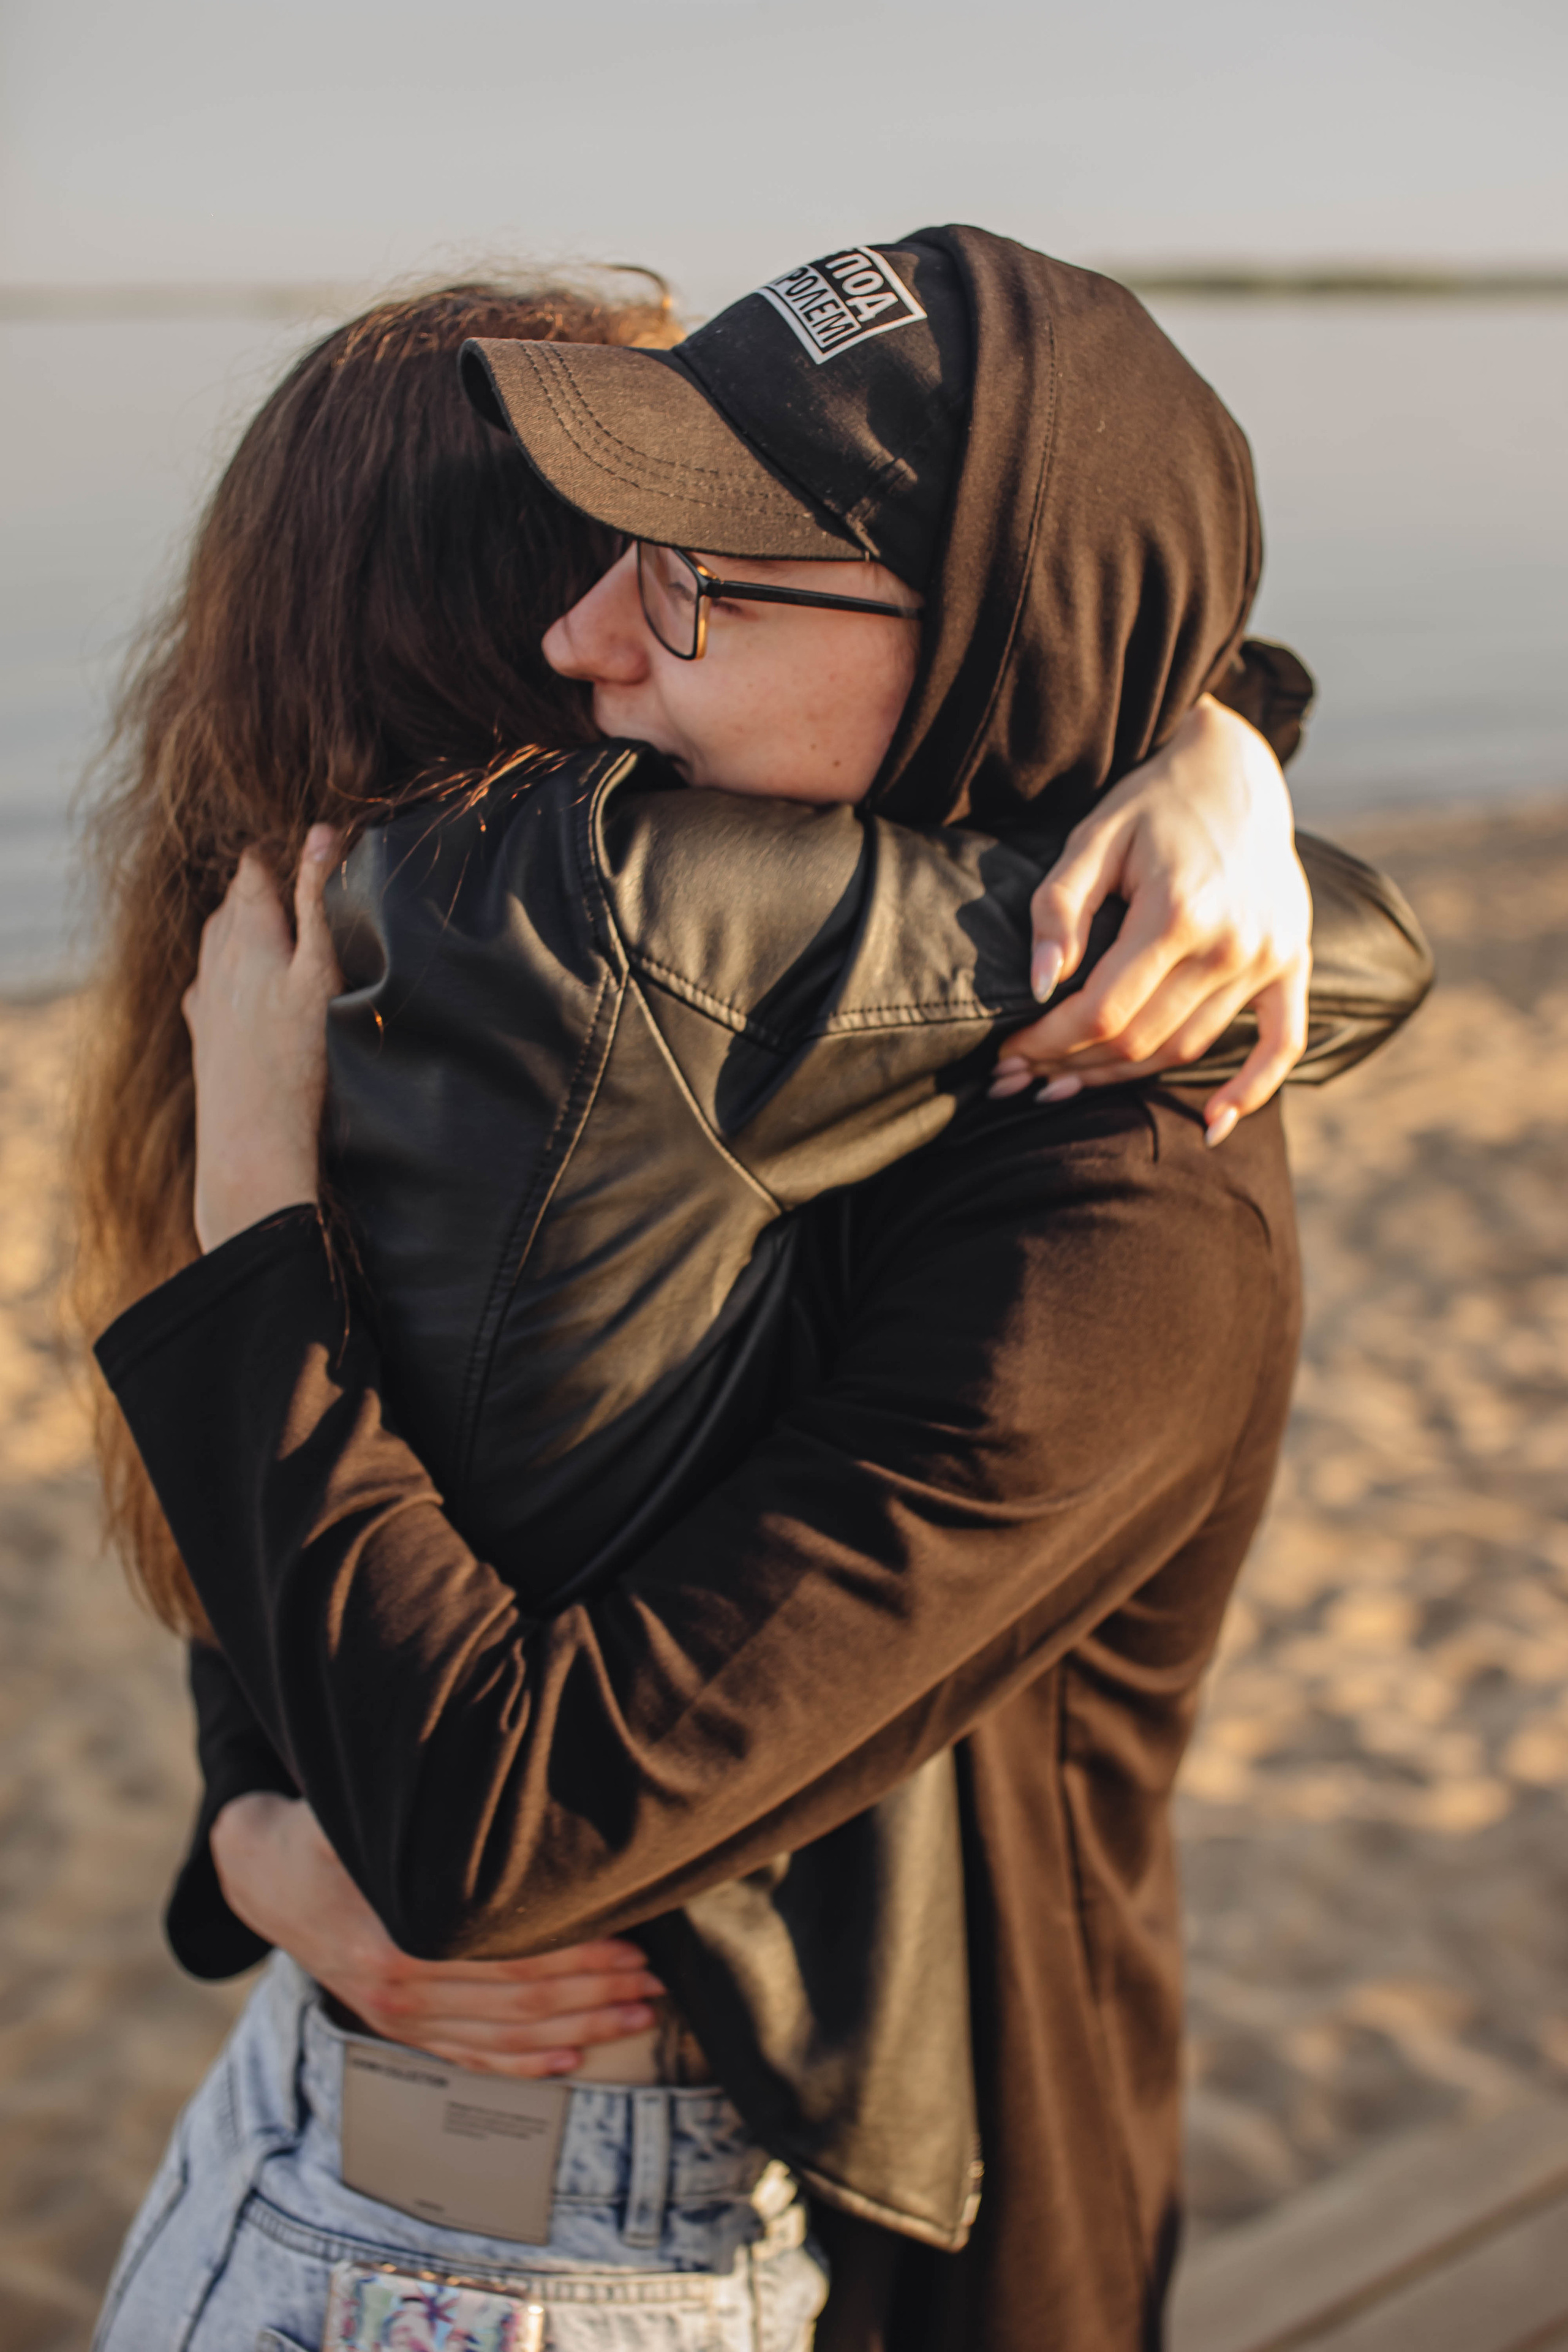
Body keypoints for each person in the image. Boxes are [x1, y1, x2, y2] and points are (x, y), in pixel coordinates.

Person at [86, 230, 1427, 2351]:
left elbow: (483, 1797)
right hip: (397, 2156)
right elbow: (371, 1517)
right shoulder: (541, 1044)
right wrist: (260, 1828)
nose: (592, 635)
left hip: (858, 2197)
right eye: (608, 552)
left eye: (686, 571)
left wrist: (1214, 735)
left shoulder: (1110, 1210)